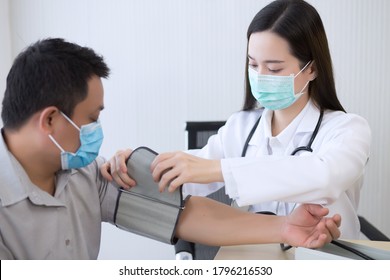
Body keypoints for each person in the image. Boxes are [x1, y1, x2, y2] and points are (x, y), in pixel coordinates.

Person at [0, 38, 341, 260]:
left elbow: (181, 215)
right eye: (91, 119)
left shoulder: (85, 174)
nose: (96, 132)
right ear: (49, 121)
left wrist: (283, 228)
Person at [103, 0, 370, 241]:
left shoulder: (348, 129)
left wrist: (220, 169)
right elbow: (186, 177)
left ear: (311, 68)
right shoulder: (240, 127)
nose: (260, 75)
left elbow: (324, 177)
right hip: (257, 257)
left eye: (274, 68)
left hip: (327, 260)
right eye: (253, 65)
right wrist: (133, 164)